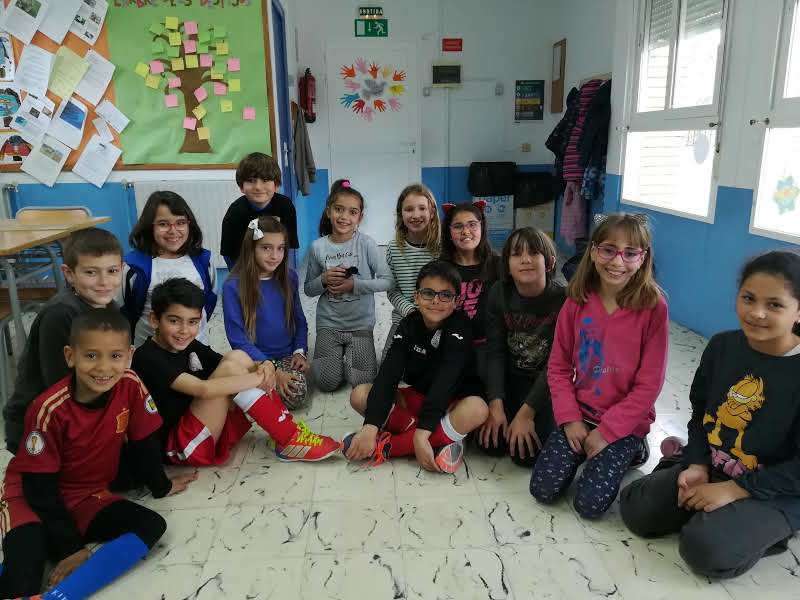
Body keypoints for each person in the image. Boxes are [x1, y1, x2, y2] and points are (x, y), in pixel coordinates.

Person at [620, 250, 800, 579]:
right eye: (748, 298)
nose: (757, 313)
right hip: (717, 464)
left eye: (775, 305)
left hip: (775, 488)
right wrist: (698, 464)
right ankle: (704, 495)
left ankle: (771, 528)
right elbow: (702, 412)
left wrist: (733, 490)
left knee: (704, 548)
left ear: (798, 311)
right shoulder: (722, 347)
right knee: (636, 508)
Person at [0, 309, 194, 598]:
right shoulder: (48, 408)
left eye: (115, 356)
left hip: (87, 496)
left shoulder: (130, 383)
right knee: (24, 571)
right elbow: (38, 488)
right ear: (70, 356)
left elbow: (143, 440)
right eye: (91, 355)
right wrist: (71, 548)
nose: (104, 368)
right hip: (30, 498)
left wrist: (161, 485)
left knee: (152, 525)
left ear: (128, 356)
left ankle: (58, 596)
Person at [530, 213, 668, 518]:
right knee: (543, 490)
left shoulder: (653, 307)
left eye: (630, 253)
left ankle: (636, 448)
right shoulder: (576, 301)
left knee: (589, 505)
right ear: (593, 251)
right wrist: (570, 419)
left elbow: (649, 385)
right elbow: (558, 367)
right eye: (608, 250)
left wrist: (609, 432)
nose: (617, 261)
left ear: (643, 258)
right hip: (580, 413)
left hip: (624, 423)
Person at [133, 278, 339, 466]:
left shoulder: (188, 344)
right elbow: (203, 389)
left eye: (192, 322)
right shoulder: (147, 356)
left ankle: (286, 432)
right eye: (174, 321)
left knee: (237, 357)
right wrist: (258, 377)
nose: (184, 330)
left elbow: (228, 363)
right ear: (154, 320)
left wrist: (268, 366)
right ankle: (288, 438)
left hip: (201, 426)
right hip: (179, 447)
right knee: (231, 370)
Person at [344, 261, 489, 474]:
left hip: (451, 404)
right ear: (416, 297)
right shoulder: (408, 324)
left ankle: (389, 447)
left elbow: (446, 380)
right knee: (360, 394)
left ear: (456, 302)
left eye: (445, 295)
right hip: (419, 399)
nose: (436, 301)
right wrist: (370, 425)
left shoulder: (461, 326)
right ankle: (441, 439)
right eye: (428, 293)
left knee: (478, 408)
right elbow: (389, 373)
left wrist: (422, 432)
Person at [3, 227, 123, 454]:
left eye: (112, 271)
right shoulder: (60, 315)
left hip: (82, 409)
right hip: (38, 426)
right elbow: (60, 386)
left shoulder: (111, 308)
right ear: (69, 273)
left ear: (122, 269)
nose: (104, 282)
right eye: (91, 272)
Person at [478, 227, 566, 466]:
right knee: (492, 444)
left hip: (547, 383)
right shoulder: (499, 293)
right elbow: (495, 351)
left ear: (550, 262)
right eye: (517, 254)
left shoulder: (564, 300)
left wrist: (527, 413)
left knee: (527, 455)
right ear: (507, 264)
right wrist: (496, 404)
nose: (525, 259)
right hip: (512, 376)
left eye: (534, 253)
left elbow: (557, 366)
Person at [304, 179, 392, 391]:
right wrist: (323, 279)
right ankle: (336, 355)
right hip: (329, 323)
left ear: (360, 218)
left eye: (352, 212)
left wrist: (355, 285)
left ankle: (349, 354)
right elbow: (308, 289)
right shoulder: (317, 247)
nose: (344, 217)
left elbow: (388, 281)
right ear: (328, 211)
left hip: (360, 324)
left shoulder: (367, 244)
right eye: (339, 209)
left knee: (362, 382)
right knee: (326, 382)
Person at [223, 216, 310, 409]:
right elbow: (237, 338)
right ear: (251, 248)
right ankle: (253, 392)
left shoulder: (289, 277)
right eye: (266, 248)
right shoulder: (233, 286)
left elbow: (299, 321)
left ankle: (254, 394)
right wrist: (270, 368)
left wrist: (300, 352)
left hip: (286, 356)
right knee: (236, 385)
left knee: (295, 393)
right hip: (253, 359)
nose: (274, 256)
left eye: (280, 248)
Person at [123, 190, 216, 347]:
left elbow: (208, 302)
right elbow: (126, 312)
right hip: (150, 351)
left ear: (189, 224)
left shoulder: (204, 260)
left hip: (197, 348)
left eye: (180, 223)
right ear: (149, 226)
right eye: (163, 224)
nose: (173, 231)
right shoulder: (133, 265)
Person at [382, 183, 440, 359]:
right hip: (405, 317)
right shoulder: (393, 248)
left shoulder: (442, 247)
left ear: (432, 212)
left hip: (438, 318)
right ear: (400, 214)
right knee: (388, 364)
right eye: (408, 209)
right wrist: (411, 312)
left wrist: (430, 315)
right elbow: (392, 290)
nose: (415, 215)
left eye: (422, 208)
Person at [220, 152, 299, 269]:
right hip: (246, 268)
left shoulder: (285, 206)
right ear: (241, 187)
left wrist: (283, 273)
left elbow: (290, 246)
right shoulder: (235, 212)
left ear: (276, 185)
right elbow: (229, 254)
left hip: (277, 267)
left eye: (265, 180)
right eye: (251, 180)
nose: (258, 187)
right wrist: (242, 276)